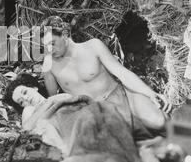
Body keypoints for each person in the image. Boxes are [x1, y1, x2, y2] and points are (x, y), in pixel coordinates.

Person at [40, 16, 168, 136]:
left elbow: (122, 73)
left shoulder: (93, 46)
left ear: (65, 35)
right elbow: (54, 100)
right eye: (46, 46)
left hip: (121, 95)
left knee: (158, 121)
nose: (50, 50)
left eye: (52, 43)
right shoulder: (49, 65)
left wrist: (150, 93)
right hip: (96, 113)